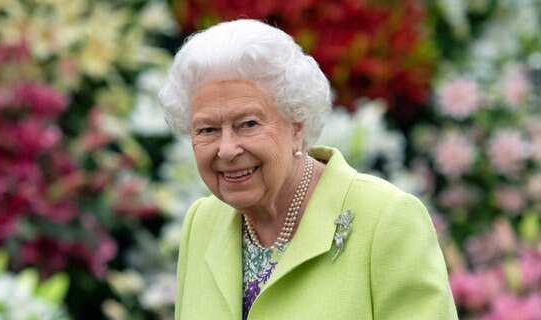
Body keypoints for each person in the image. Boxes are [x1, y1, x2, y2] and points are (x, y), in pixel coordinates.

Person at [158, 19, 457, 320]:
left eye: (248, 124)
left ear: (297, 125)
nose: (227, 149)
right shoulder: (202, 222)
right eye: (207, 130)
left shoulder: (386, 219)